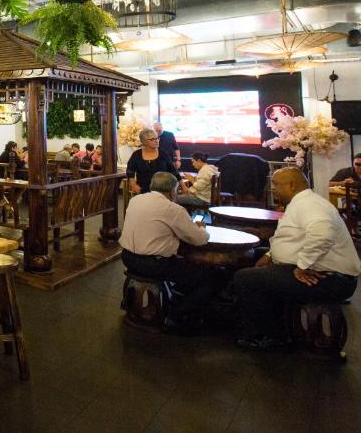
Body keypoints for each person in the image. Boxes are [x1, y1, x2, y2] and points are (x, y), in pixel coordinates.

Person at [232, 167, 360, 350]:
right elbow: (293, 238)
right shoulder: (303, 202)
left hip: (330, 279)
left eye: (276, 185)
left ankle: (271, 335)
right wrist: (270, 255)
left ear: (291, 185)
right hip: (321, 271)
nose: (274, 189)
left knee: (245, 278)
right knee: (253, 255)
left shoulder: (309, 205)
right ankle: (262, 322)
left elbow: (322, 234)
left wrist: (303, 265)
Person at [119, 172, 211, 333]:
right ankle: (175, 316)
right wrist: (202, 228)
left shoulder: (135, 200)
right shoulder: (173, 209)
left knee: (185, 270)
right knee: (207, 279)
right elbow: (199, 240)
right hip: (155, 264)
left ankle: (170, 301)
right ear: (172, 191)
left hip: (127, 258)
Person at [126, 128, 179, 196]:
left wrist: (183, 186)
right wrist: (134, 185)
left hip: (162, 191)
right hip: (143, 190)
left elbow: (173, 171)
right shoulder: (136, 154)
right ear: (144, 141)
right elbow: (130, 171)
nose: (156, 141)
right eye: (152, 139)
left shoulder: (163, 153)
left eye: (157, 138)